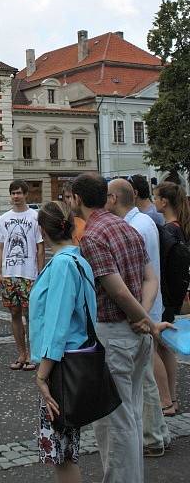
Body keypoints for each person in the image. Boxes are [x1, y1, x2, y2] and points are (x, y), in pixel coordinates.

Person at [71, 174, 170, 483]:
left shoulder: (93, 235)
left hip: (115, 334)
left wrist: (144, 319)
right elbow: (149, 279)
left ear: (77, 199)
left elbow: (117, 291)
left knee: (117, 421)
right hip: (135, 334)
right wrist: (144, 316)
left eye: (68, 197)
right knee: (131, 414)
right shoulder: (125, 226)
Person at [29, 200, 97, 482]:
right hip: (72, 360)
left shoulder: (61, 265)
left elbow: (57, 325)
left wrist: (42, 376)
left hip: (61, 366)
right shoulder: (79, 259)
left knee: (62, 453)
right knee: (65, 450)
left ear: (43, 230)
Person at [106, 178, 170, 457]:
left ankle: (153, 437)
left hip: (141, 311)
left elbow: (134, 274)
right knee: (144, 377)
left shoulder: (135, 226)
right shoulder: (143, 222)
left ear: (113, 198)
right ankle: (157, 433)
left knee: (143, 378)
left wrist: (138, 313)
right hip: (146, 308)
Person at [0, 179, 45, 370]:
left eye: (19, 193)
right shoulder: (4, 218)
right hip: (9, 274)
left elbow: (40, 248)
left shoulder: (35, 216)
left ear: (26, 194)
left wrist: (40, 273)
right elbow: (0, 247)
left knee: (31, 314)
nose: (16, 196)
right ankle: (21, 353)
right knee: (14, 313)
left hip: (29, 274)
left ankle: (34, 354)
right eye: (13, 193)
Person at [153, 181, 190, 418]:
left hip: (168, 297)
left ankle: (166, 401)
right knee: (166, 347)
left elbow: (166, 271)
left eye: (156, 197)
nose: (154, 200)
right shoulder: (181, 227)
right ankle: (172, 399)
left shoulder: (168, 231)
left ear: (164, 202)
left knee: (153, 347)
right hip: (179, 296)